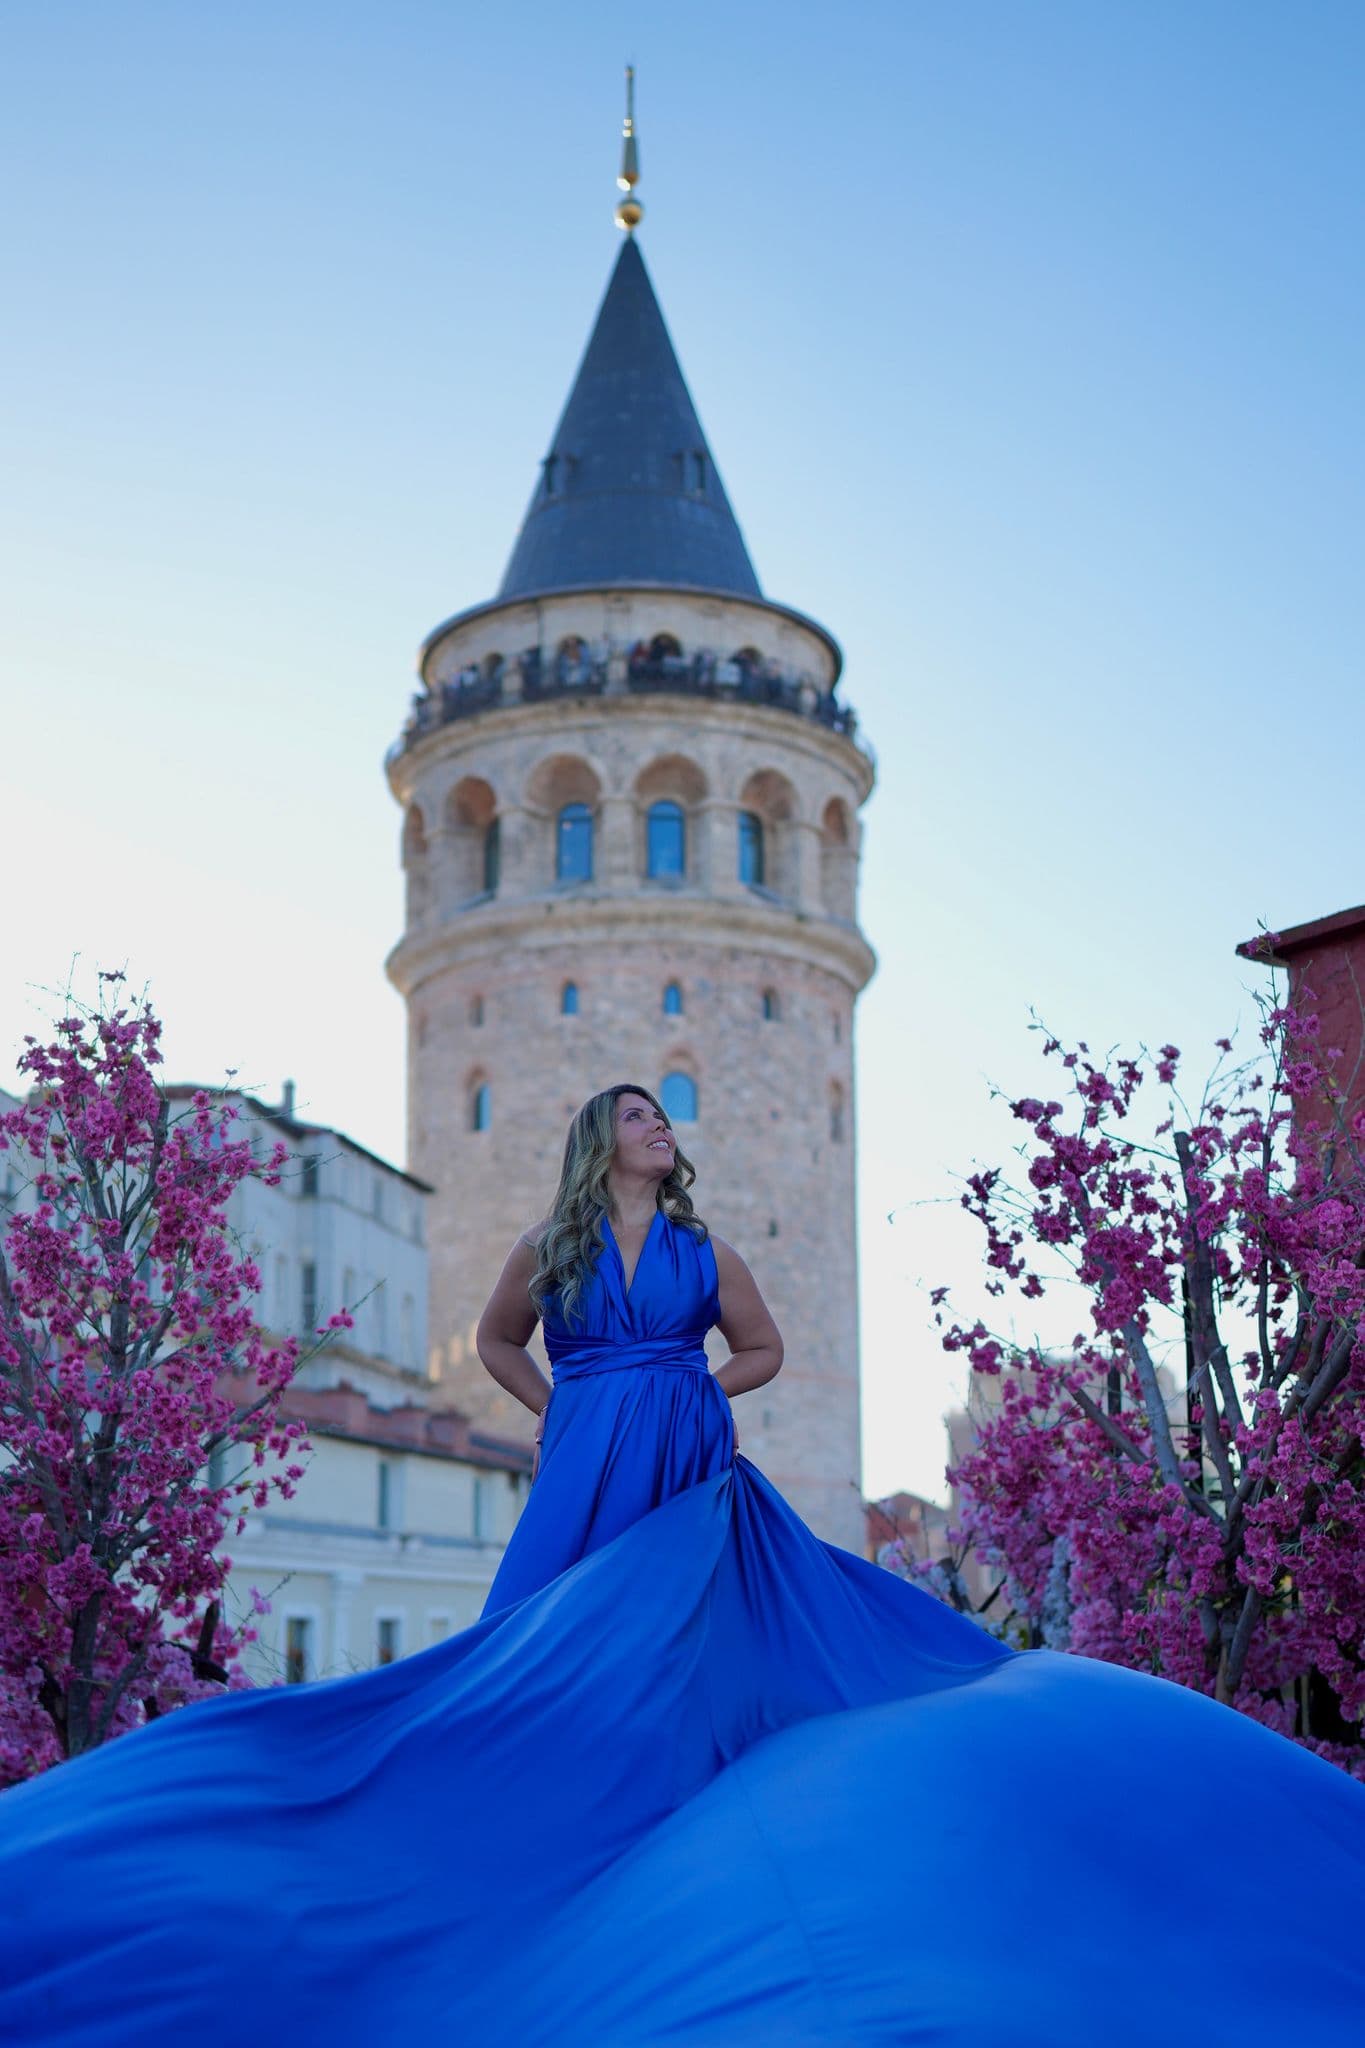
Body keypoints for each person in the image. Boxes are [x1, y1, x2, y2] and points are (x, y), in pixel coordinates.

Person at [1, 1084, 1365, 2047]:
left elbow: (763, 1349)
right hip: (590, 1433)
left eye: (662, 1114)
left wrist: (703, 1389)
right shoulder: (557, 1242)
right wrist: (567, 1408)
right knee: (545, 1632)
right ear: (608, 1141)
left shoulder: (704, 1248)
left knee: (686, 1625)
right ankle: (530, 1811)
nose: (663, 1128)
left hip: (678, 1432)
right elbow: (489, 1341)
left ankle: (675, 1807)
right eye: (643, 1115)